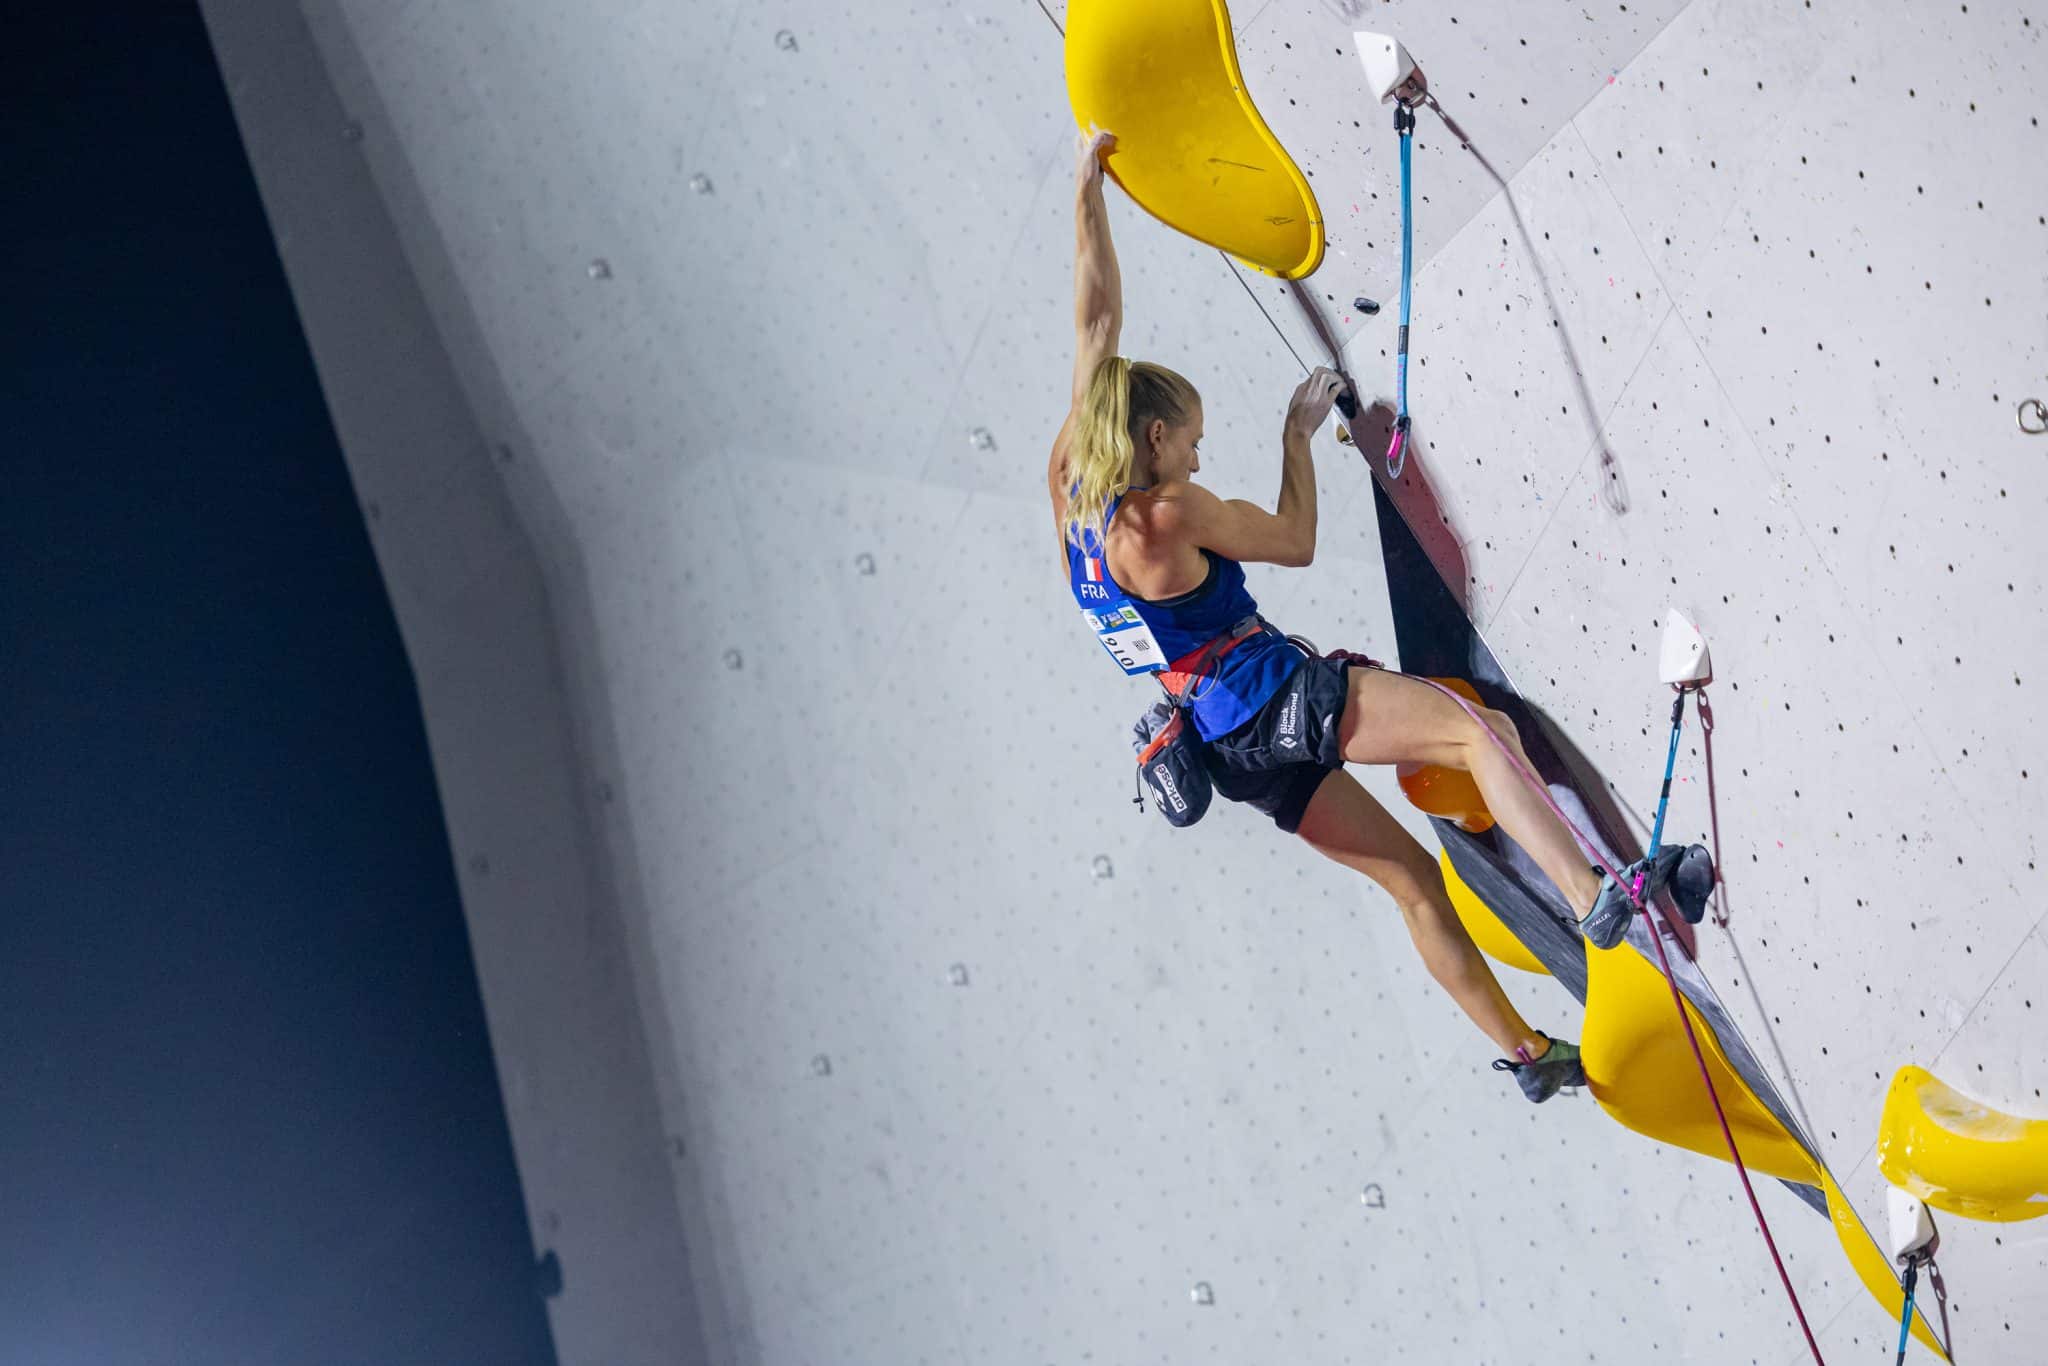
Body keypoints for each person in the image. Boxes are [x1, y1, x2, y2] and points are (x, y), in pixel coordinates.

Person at [1048, 129, 1681, 1101]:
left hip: (1230, 749)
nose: (1197, 460)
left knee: (1407, 881)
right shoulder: (1167, 515)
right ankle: (1597, 898)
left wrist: (1089, 189)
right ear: (1157, 438)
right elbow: (1295, 539)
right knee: (1476, 733)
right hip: (1274, 700)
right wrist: (1296, 435)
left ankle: (1527, 1057)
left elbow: (1093, 321)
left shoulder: (1069, 490)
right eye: (1191, 446)